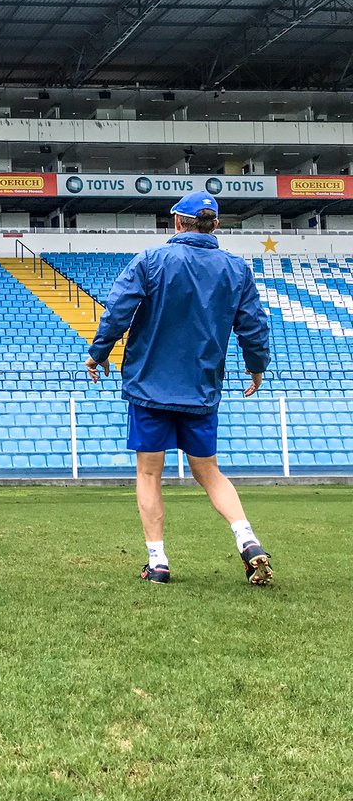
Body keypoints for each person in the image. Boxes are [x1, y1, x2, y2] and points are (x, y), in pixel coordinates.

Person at [85, 190, 272, 585]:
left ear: (176, 222)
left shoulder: (151, 260)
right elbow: (253, 327)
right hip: (200, 389)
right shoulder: (236, 269)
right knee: (209, 472)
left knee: (149, 473)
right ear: (216, 225)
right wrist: (256, 367)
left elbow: (119, 310)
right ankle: (247, 539)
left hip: (149, 386)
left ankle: (158, 562)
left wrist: (99, 352)